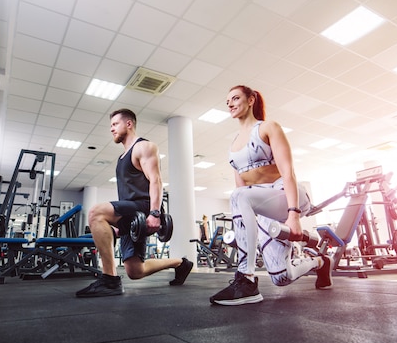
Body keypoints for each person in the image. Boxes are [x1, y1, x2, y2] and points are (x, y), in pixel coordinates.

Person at [209, 85, 332, 306]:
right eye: (227, 101)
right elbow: (243, 189)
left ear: (251, 100)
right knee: (281, 277)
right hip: (263, 204)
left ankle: (246, 279)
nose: (230, 104)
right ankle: (319, 262)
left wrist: (293, 214)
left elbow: (288, 173)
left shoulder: (268, 127)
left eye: (235, 98)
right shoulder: (233, 145)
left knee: (237, 196)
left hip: (286, 195)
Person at [76, 108, 193, 297]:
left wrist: (155, 213)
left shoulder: (144, 147)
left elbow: (156, 180)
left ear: (128, 124)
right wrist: (117, 224)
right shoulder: (121, 158)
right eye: (111, 126)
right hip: (130, 212)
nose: (111, 129)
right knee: (135, 271)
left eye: (115, 124)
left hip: (143, 207)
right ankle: (180, 263)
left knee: (95, 212)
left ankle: (109, 280)